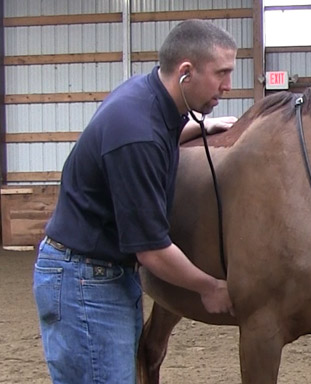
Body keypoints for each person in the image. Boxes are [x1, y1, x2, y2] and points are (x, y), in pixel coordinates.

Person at [32, 19, 238, 384]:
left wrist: (203, 126)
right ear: (186, 72)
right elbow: (152, 251)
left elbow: (162, 133)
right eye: (221, 74)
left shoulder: (150, 96)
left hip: (100, 275)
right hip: (82, 282)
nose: (227, 85)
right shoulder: (136, 132)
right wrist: (210, 287)